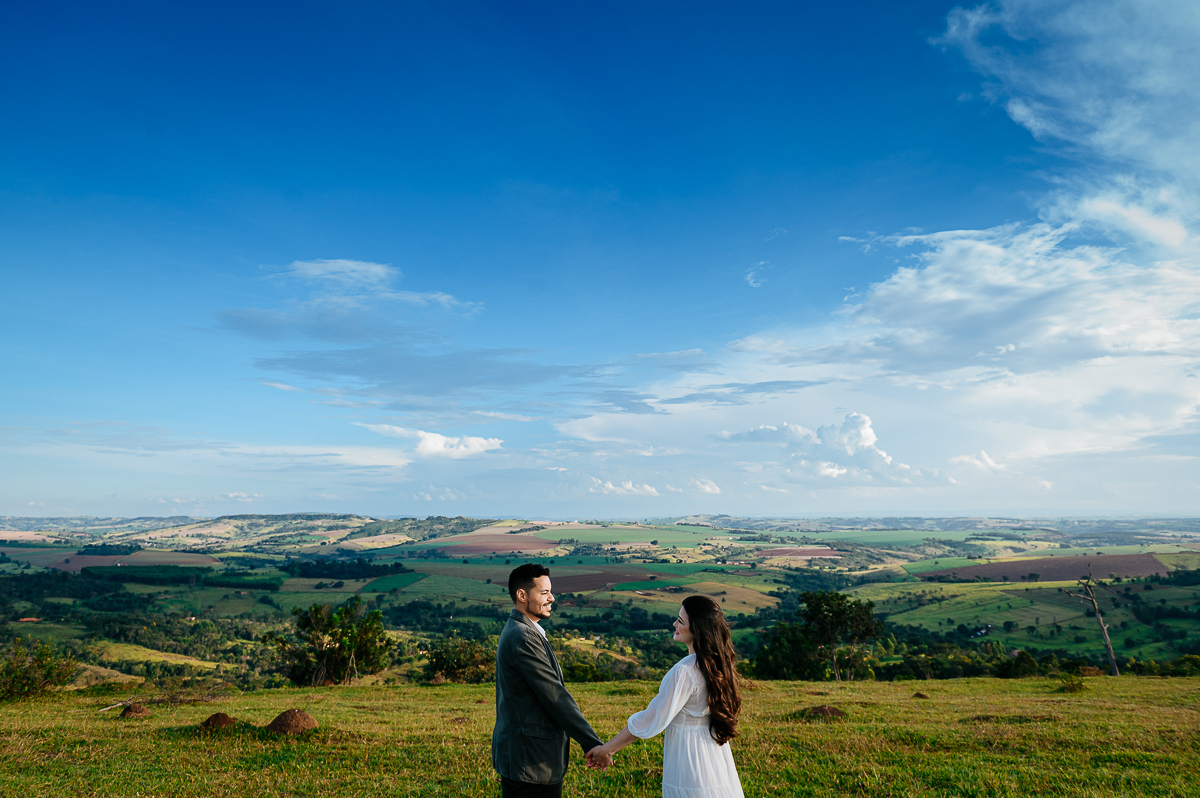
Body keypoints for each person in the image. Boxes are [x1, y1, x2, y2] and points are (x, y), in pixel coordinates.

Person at [587, 595, 744, 798]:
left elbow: (652, 719)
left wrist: (608, 749)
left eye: (680, 621)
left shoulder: (685, 671)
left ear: (697, 629)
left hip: (688, 760)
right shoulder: (717, 664)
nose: (674, 624)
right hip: (713, 754)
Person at [493, 563, 611, 797]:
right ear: (522, 595)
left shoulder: (522, 629)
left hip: (527, 758)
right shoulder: (523, 636)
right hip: (531, 761)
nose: (552, 598)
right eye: (544, 592)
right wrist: (592, 743)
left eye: (551, 592)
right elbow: (555, 696)